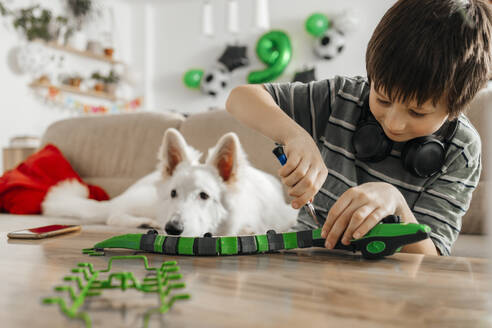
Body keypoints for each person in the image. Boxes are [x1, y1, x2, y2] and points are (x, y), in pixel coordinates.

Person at [225, 0, 492, 256]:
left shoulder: (462, 149)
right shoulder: (344, 96)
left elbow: (431, 259)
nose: (393, 123)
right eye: (383, 99)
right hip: (305, 265)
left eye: (417, 112)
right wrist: (294, 135)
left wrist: (396, 203)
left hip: (390, 289)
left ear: (455, 108)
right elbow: (239, 97)